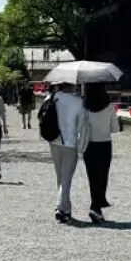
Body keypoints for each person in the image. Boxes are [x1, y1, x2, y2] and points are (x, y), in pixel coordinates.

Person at [78, 83, 120, 224]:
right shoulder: (109, 107)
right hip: (105, 144)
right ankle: (97, 206)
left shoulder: (84, 107)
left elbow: (79, 126)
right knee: (103, 176)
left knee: (92, 176)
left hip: (89, 145)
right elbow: (115, 128)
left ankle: (95, 206)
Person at [49, 83, 85, 223]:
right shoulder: (78, 101)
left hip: (54, 140)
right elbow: (82, 124)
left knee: (60, 176)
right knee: (67, 177)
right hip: (70, 142)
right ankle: (60, 207)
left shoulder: (52, 97)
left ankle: (66, 208)